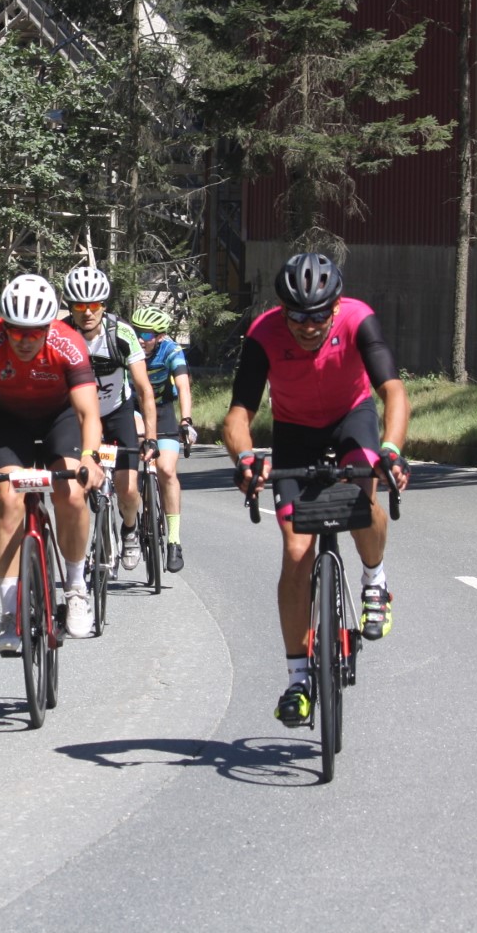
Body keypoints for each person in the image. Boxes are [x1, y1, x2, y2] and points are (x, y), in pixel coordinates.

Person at [221, 252, 411, 729]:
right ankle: (298, 679)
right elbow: (238, 414)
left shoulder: (358, 319)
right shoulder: (264, 333)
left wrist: (390, 450)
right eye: (297, 316)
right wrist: (245, 458)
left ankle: (375, 581)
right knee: (295, 550)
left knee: (362, 496)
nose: (308, 326)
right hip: (294, 431)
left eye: (319, 315)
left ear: (336, 305)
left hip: (352, 418)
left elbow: (393, 390)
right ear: (282, 310)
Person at [0, 274, 105, 648]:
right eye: (16, 331)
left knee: (71, 493)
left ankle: (76, 588)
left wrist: (90, 456)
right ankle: (9, 613)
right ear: (4, 325)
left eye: (35, 333)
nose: (25, 340)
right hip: (10, 422)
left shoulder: (68, 343)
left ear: (49, 327)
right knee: (8, 500)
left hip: (59, 419)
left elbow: (87, 413)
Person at [61, 265, 159, 571]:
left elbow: (144, 390)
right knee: (73, 488)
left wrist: (151, 438)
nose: (87, 312)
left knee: (128, 489)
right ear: (70, 307)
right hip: (77, 416)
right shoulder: (61, 335)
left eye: (94, 305)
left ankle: (129, 529)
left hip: (117, 412)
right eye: (80, 306)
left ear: (103, 305)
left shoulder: (122, 334)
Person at [130, 305, 198, 573]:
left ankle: (174, 540)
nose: (140, 339)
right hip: (135, 409)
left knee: (167, 471)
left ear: (159, 336)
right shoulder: (128, 348)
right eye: (137, 332)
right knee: (143, 452)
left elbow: (183, 387)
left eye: (147, 334)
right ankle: (139, 513)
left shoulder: (171, 350)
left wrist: (186, 420)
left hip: (162, 411)